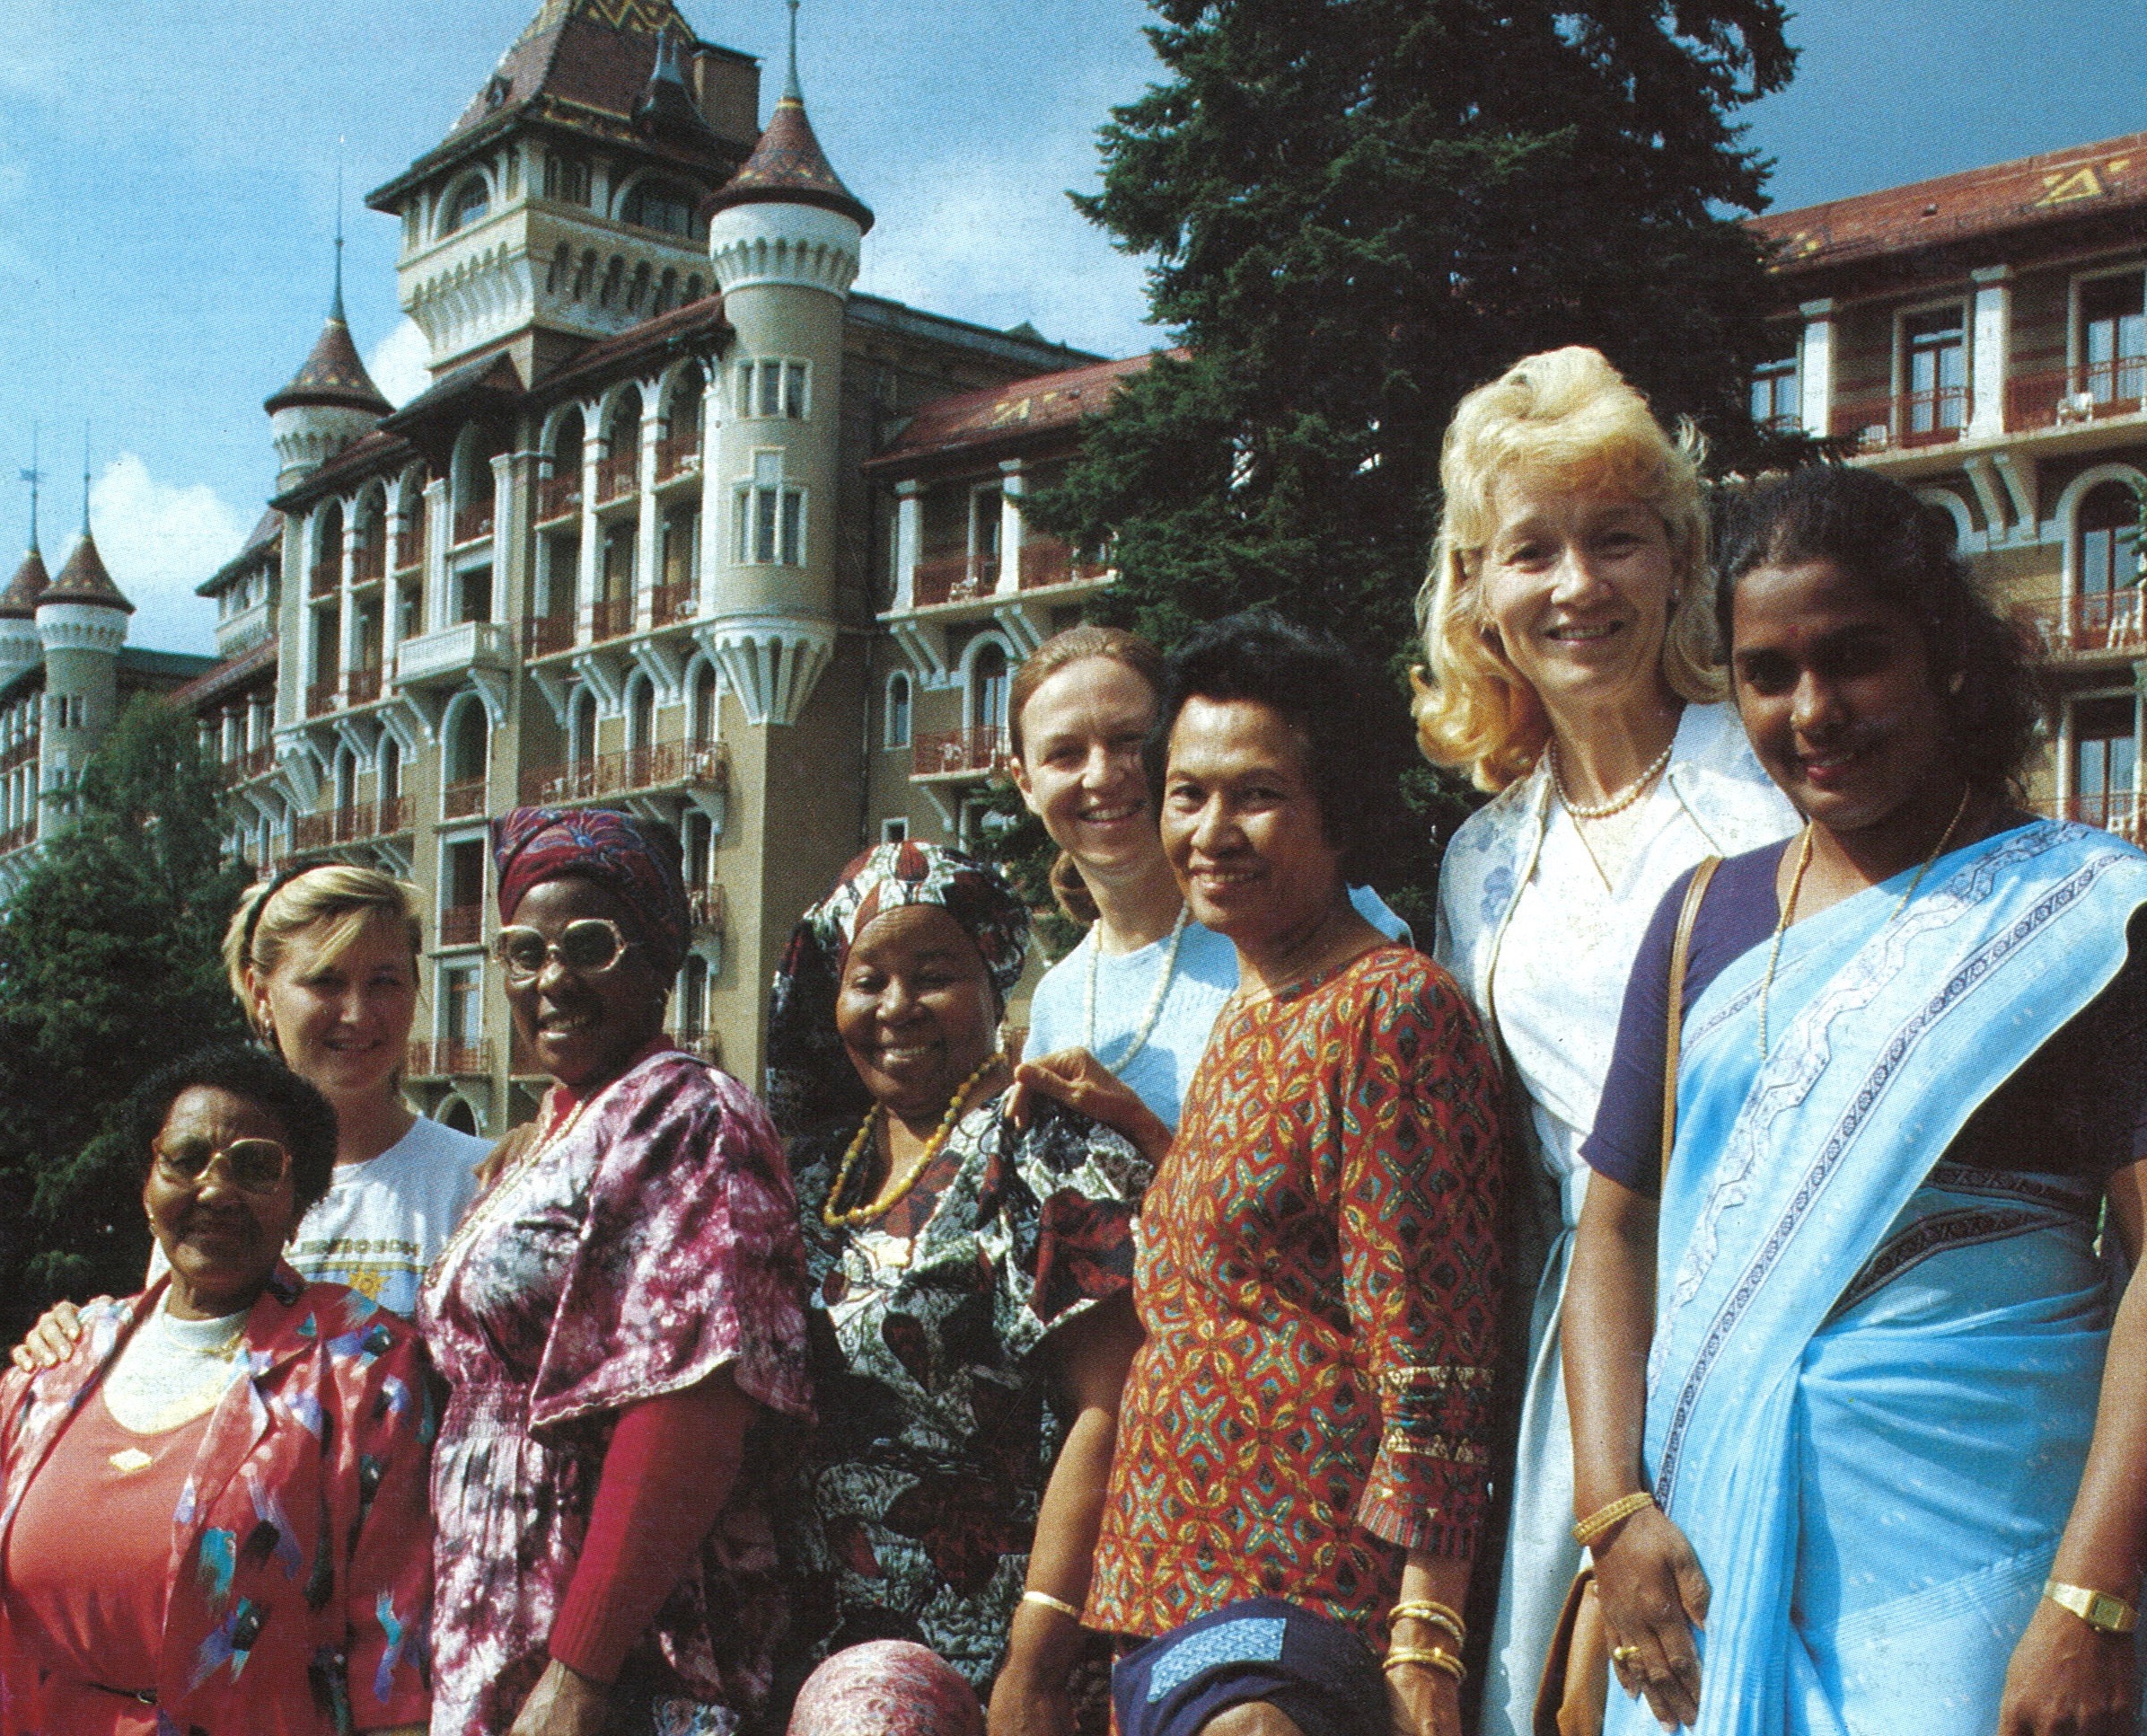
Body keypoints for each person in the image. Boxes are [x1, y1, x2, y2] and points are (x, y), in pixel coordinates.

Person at [1564, 464, 2147, 1736]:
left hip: (1986, 1580)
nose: (1812, 710)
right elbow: (1610, 1229)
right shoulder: (1700, 920)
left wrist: (2091, 1597)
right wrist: (1610, 1511)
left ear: (1946, 658)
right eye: (1767, 673)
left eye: (1855, 658)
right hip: (1704, 1572)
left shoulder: (2084, 916)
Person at [1027, 613, 1505, 1736]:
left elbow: (1434, 1358)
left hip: (1303, 1608)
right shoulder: (1251, 1009)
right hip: (1168, 1600)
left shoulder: (1391, 1011)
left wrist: (1426, 1642)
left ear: (1338, 809)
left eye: (1256, 795)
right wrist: (1142, 1132)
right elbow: (1256, 1258)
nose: (1210, 831)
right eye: (1186, 794)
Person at [1412, 346, 1798, 1735]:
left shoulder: (1769, 779)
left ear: (1677, 559)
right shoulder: (1477, 859)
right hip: (1569, 1365)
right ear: (1476, 589)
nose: (1576, 585)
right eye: (1532, 550)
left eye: (1614, 539)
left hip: (1771, 1307)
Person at [421, 806, 814, 1736]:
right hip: (499, 1622)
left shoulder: (690, 1113)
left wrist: (579, 1673)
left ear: (659, 960)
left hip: (625, 1645)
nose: (552, 978)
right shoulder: (559, 1126)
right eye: (524, 953)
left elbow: (694, 1404)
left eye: (590, 945)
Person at [763, 840, 1148, 1733]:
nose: (896, 1006)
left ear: (993, 978)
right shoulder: (811, 1166)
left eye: (933, 975)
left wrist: (1034, 1664)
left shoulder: (1043, 1146)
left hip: (987, 1656)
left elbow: (1113, 1407)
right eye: (868, 979)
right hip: (810, 1643)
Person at [0, 1044, 434, 1736]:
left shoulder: (367, 1366)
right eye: (186, 1158)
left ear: (299, 1203)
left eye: (255, 1166)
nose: (215, 1190)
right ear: (147, 1186)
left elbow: (394, 1665)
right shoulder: (58, 1363)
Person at [13, 863, 488, 1372]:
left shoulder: (480, 1181)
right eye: (325, 982)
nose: (357, 1012)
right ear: (260, 993)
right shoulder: (208, 1188)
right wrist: (81, 1339)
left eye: (384, 982)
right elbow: (171, 1363)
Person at [1012, 624, 1409, 1135]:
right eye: (1065, 754)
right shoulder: (1056, 997)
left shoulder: (1324, 927)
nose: (1103, 776)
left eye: (1129, 742)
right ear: (1025, 782)